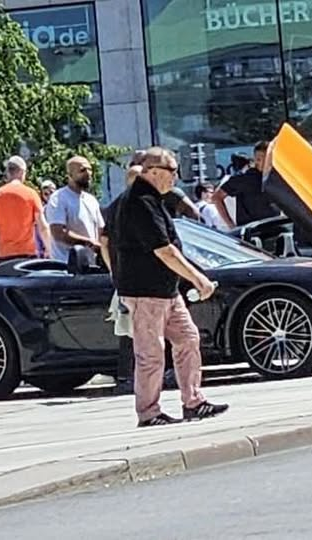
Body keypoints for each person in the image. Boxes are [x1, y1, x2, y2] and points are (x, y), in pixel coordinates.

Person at [115, 146, 228, 427]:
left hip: (165, 290)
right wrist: (197, 278)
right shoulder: (139, 201)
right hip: (145, 292)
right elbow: (164, 250)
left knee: (188, 338)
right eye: (172, 171)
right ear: (153, 172)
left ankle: (193, 402)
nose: (176, 177)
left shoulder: (154, 199)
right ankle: (149, 412)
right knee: (151, 354)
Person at [101, 164, 144, 395]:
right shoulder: (125, 206)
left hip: (130, 275)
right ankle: (126, 376)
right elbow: (104, 241)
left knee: (134, 328)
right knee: (130, 329)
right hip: (130, 276)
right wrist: (115, 271)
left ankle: (129, 376)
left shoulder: (122, 205)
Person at [0, 156, 51, 262]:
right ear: (21, 172)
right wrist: (51, 250)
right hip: (27, 254)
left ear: (8, 172)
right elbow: (42, 227)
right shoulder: (31, 194)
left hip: (4, 255)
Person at [46, 157, 105, 264]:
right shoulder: (59, 198)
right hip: (66, 267)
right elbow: (58, 232)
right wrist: (88, 243)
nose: (88, 173)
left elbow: (100, 230)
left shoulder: (91, 200)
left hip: (91, 265)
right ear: (70, 175)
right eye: (82, 170)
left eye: (90, 169)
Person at [213, 141, 279, 229]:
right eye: (261, 159)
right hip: (254, 232)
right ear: (256, 160)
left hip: (276, 227)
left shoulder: (276, 178)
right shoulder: (245, 179)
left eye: (269, 158)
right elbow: (216, 197)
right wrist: (230, 224)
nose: (267, 162)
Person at [35, 180, 57, 257]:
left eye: (51, 193)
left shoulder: (62, 209)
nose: (49, 196)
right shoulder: (41, 211)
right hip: (45, 252)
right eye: (46, 194)